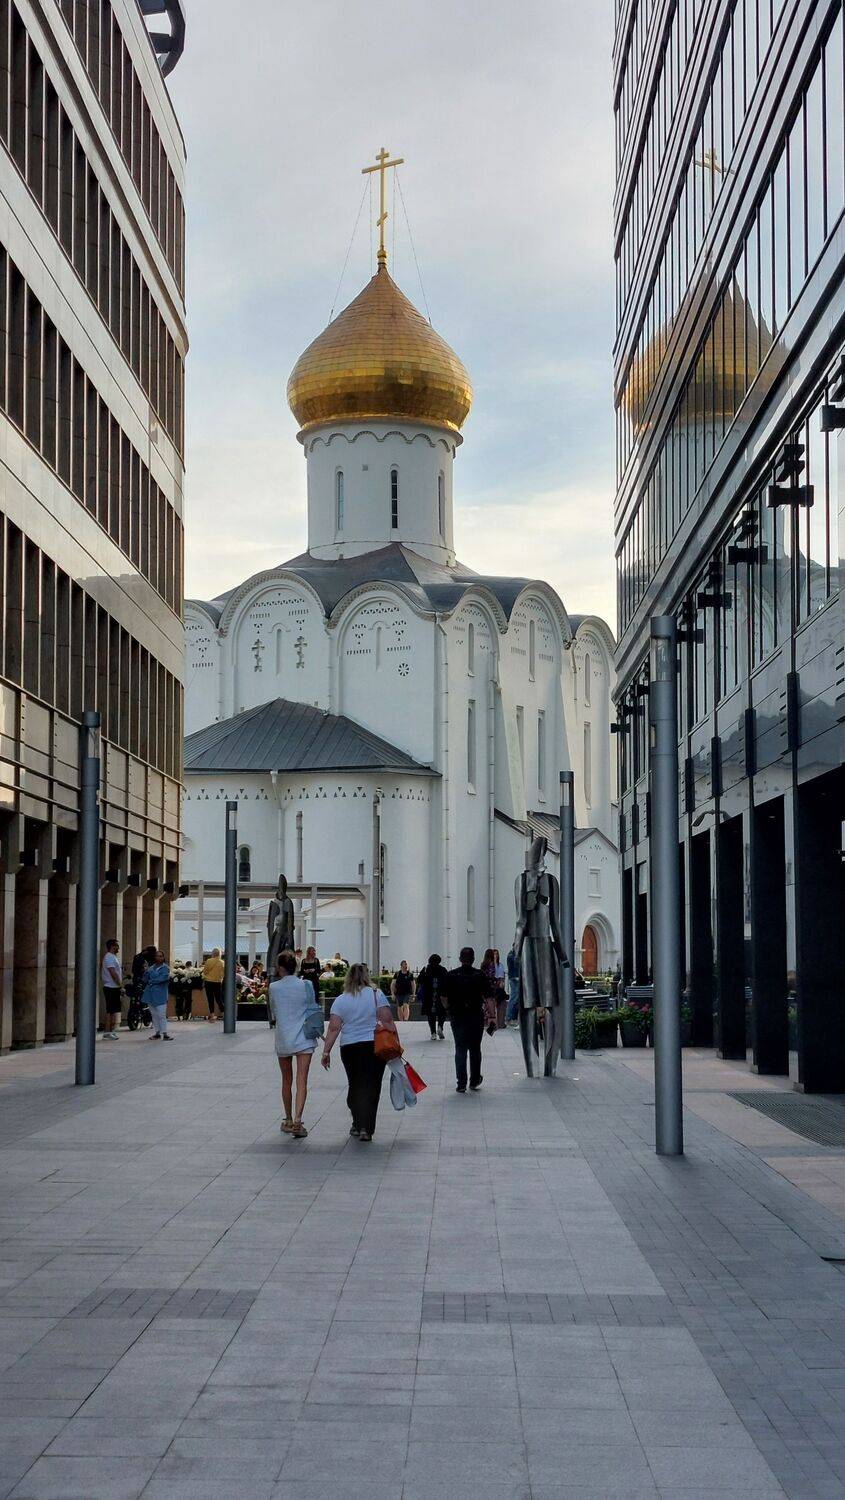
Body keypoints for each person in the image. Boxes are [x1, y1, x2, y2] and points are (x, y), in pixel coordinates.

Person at [321, 963, 397, 1141]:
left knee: (355, 1083)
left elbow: (334, 1028)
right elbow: (388, 1021)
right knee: (373, 1085)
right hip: (374, 1045)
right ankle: (366, 1128)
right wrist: (396, 1045)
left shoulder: (341, 1000)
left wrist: (326, 1052)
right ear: (366, 976)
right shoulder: (376, 995)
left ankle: (357, 1122)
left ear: (348, 977)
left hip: (350, 1047)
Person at [269, 950, 316, 1139]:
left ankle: (288, 1119)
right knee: (302, 1079)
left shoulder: (274, 987)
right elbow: (313, 1007)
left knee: (286, 1080)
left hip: (283, 1037)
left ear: (280, 968)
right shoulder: (306, 985)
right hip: (304, 1037)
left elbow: (274, 1011)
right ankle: (298, 1120)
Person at [443, 948, 491, 1093]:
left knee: (460, 1048)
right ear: (473, 959)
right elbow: (489, 997)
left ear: (460, 959)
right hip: (475, 1015)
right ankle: (474, 1079)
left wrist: (449, 1009)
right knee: (475, 1048)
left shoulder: (451, 975)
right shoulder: (480, 975)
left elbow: (443, 996)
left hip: (457, 1015)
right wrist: (492, 1016)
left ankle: (461, 1083)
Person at [417, 953, 448, 1039]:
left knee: (430, 1015)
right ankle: (440, 1027)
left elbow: (419, 980)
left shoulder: (427, 969)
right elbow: (447, 982)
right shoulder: (443, 970)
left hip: (429, 996)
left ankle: (433, 1033)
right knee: (442, 1012)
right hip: (440, 995)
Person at [145, 949, 172, 1040]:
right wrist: (146, 972)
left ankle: (165, 1033)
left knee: (161, 1014)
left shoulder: (165, 968)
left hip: (161, 995)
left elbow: (163, 978)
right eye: (157, 956)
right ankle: (157, 1033)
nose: (159, 958)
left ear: (163, 958)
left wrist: (152, 981)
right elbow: (145, 979)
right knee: (154, 1015)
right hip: (150, 994)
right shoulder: (150, 968)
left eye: (160, 956)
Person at [101, 939, 123, 1039]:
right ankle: (107, 1032)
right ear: (112, 946)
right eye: (116, 946)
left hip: (114, 987)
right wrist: (120, 985)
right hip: (111, 987)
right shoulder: (109, 957)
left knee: (114, 1010)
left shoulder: (113, 957)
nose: (118, 948)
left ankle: (111, 1031)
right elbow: (112, 972)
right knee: (110, 1010)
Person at [202, 948, 224, 1023]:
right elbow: (223, 973)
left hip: (208, 982)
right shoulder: (222, 962)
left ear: (213, 953)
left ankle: (212, 1016)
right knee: (219, 999)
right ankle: (224, 1013)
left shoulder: (209, 961)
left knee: (210, 999)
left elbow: (205, 972)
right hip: (218, 982)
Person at [506, 945, 521, 1025]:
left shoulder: (511, 955)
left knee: (515, 998)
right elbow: (517, 962)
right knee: (514, 998)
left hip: (515, 978)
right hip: (515, 978)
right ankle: (509, 1017)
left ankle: (511, 1017)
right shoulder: (512, 955)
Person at [493, 948, 507, 1028]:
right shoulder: (490, 966)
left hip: (499, 985)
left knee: (502, 1003)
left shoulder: (500, 965)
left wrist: (501, 982)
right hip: (493, 985)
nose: (496, 956)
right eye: (494, 954)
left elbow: (501, 976)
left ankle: (501, 1022)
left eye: (497, 954)